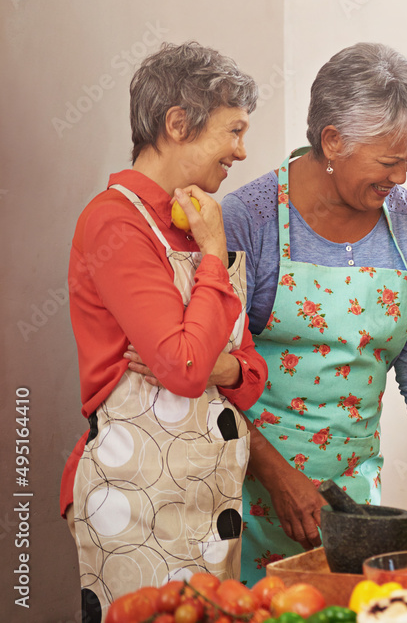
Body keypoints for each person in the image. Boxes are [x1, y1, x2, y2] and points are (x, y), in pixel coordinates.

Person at [223, 42, 407, 583]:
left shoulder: (403, 217)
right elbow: (210, 375)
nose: (402, 178)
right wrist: (280, 478)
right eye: (390, 162)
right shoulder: (249, 218)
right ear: (333, 140)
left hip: (354, 507)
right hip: (252, 499)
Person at [60, 42, 265, 622]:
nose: (242, 151)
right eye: (233, 130)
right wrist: (213, 257)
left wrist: (220, 367)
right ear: (178, 124)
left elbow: (246, 374)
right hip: (134, 502)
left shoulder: (197, 223)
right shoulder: (114, 221)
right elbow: (182, 367)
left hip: (210, 503)